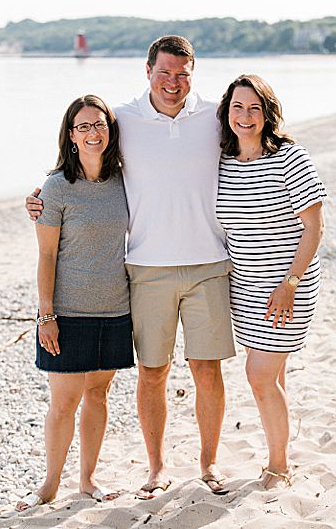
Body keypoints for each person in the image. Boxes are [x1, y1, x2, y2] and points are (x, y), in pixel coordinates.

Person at [27, 36, 235, 498]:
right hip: (145, 268)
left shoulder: (216, 116)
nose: (173, 83)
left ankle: (209, 463)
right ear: (147, 71)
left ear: (193, 74)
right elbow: (86, 156)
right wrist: (42, 196)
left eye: (182, 74)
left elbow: (252, 146)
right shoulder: (123, 120)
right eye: (164, 73)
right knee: (152, 373)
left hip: (208, 263)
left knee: (207, 369)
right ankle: (157, 468)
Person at [16, 95, 133, 511]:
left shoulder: (125, 181)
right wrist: (45, 314)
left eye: (99, 124)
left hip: (116, 309)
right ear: (70, 135)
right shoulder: (55, 188)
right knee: (64, 402)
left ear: (110, 130)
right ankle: (49, 484)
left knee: (98, 396)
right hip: (68, 312)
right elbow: (46, 255)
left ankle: (87, 479)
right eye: (83, 126)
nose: (92, 133)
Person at [215, 74, 325, 490]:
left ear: (267, 113)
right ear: (226, 112)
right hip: (244, 286)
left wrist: (290, 284)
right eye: (237, 107)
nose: (245, 116)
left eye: (254, 108)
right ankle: (281, 450)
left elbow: (314, 228)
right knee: (272, 376)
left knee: (260, 376)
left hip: (288, 285)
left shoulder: (290, 158)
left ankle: (279, 466)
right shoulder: (223, 161)